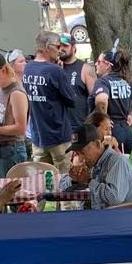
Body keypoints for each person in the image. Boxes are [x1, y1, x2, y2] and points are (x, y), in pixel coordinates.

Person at [23, 30, 79, 169]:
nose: (60, 51)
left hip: (37, 135)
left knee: (42, 180)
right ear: (47, 47)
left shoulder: (28, 67)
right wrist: (61, 74)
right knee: (63, 178)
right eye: (58, 46)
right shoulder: (55, 70)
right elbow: (72, 100)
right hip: (58, 134)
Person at [68, 121, 132, 209]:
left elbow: (115, 198)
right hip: (103, 216)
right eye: (77, 153)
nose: (80, 159)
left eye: (83, 153)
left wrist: (88, 181)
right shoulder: (93, 163)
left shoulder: (117, 161)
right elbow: (63, 185)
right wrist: (76, 179)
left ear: (97, 144)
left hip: (121, 219)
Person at [0, 50, 30, 178]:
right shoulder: (0, 88)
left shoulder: (16, 93)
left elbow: (20, 128)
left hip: (11, 150)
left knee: (10, 192)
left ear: (3, 70)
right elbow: (4, 117)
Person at [92, 49, 132, 155]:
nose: (96, 64)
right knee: (122, 167)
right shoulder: (125, 81)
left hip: (110, 134)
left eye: (99, 62)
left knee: (110, 169)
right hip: (126, 132)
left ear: (107, 65)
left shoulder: (103, 82)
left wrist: (104, 119)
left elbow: (101, 99)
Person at [62, 36, 94, 131]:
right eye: (59, 46)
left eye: (65, 45)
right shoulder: (54, 68)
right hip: (60, 127)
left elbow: (94, 98)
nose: (61, 49)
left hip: (80, 126)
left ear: (73, 47)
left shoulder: (85, 68)